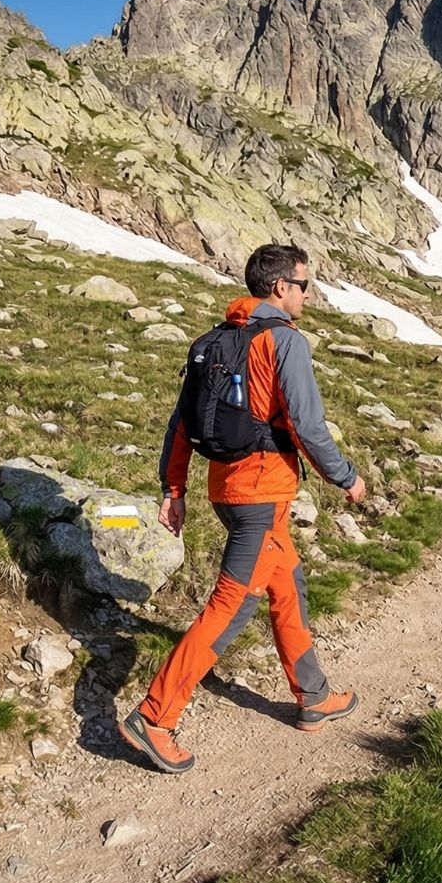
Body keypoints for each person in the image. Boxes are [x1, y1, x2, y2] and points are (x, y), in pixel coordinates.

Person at [119, 244, 366, 773]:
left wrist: (174, 489)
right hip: (260, 495)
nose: (308, 293)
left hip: (227, 490)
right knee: (231, 607)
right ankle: (155, 717)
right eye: (303, 284)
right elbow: (308, 426)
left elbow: (181, 423)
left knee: (287, 585)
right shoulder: (284, 342)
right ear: (279, 287)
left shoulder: (214, 341)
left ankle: (313, 695)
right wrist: (346, 477)